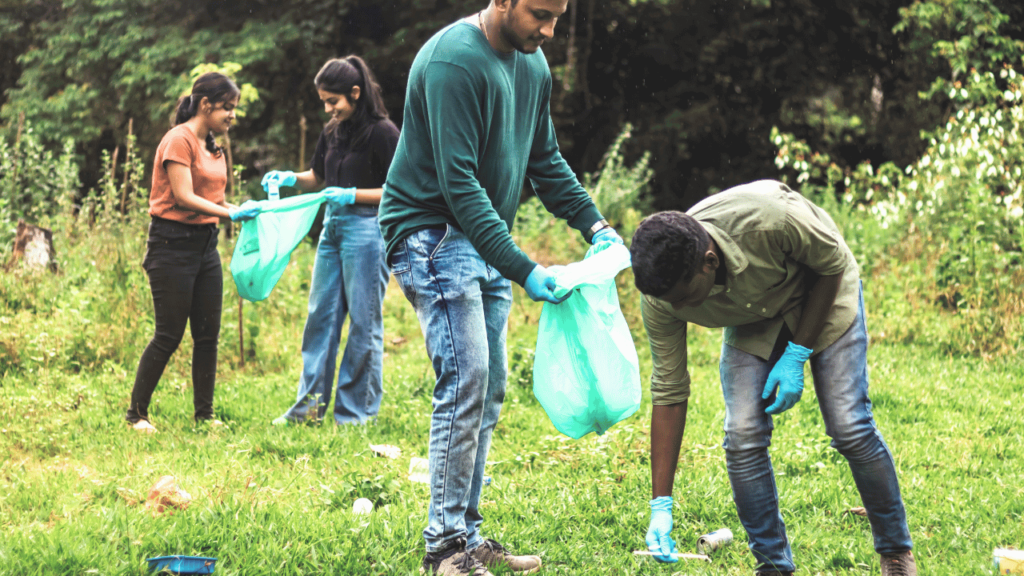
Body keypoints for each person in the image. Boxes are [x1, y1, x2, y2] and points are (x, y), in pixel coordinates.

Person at [378, 0, 623, 574]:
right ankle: (444, 551)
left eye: (558, 16)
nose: (550, 30)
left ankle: (466, 534)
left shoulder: (531, 65)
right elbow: (458, 183)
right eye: (540, 13)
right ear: (503, 1)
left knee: (488, 390)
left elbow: (545, 159)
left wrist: (596, 224)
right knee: (467, 382)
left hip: (480, 238)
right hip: (431, 232)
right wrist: (525, 267)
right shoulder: (453, 64)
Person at [630, 180, 916, 576]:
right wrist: (660, 503)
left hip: (822, 290)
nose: (675, 307)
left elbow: (832, 265)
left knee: (848, 425)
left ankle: (896, 551)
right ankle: (773, 565)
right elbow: (669, 390)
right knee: (743, 432)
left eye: (683, 295)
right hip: (753, 317)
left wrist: (797, 353)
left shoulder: (771, 219)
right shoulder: (661, 295)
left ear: (709, 262)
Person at [261, 56, 398, 426]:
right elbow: (317, 176)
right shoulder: (332, 130)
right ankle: (308, 410)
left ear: (355, 93)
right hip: (332, 229)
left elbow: (398, 192)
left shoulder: (384, 132)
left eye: (333, 100)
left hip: (368, 231)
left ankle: (354, 413)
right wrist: (290, 177)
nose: (328, 108)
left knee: (363, 322)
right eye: (323, 100)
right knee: (320, 318)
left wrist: (352, 195)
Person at [126, 72, 261, 434]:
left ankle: (204, 415)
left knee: (207, 334)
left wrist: (238, 209)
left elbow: (210, 202)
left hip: (205, 246)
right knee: (168, 334)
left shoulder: (212, 146)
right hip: (171, 245)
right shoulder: (178, 140)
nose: (232, 115)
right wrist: (231, 213)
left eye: (234, 109)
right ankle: (136, 414)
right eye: (227, 108)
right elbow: (184, 197)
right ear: (205, 104)